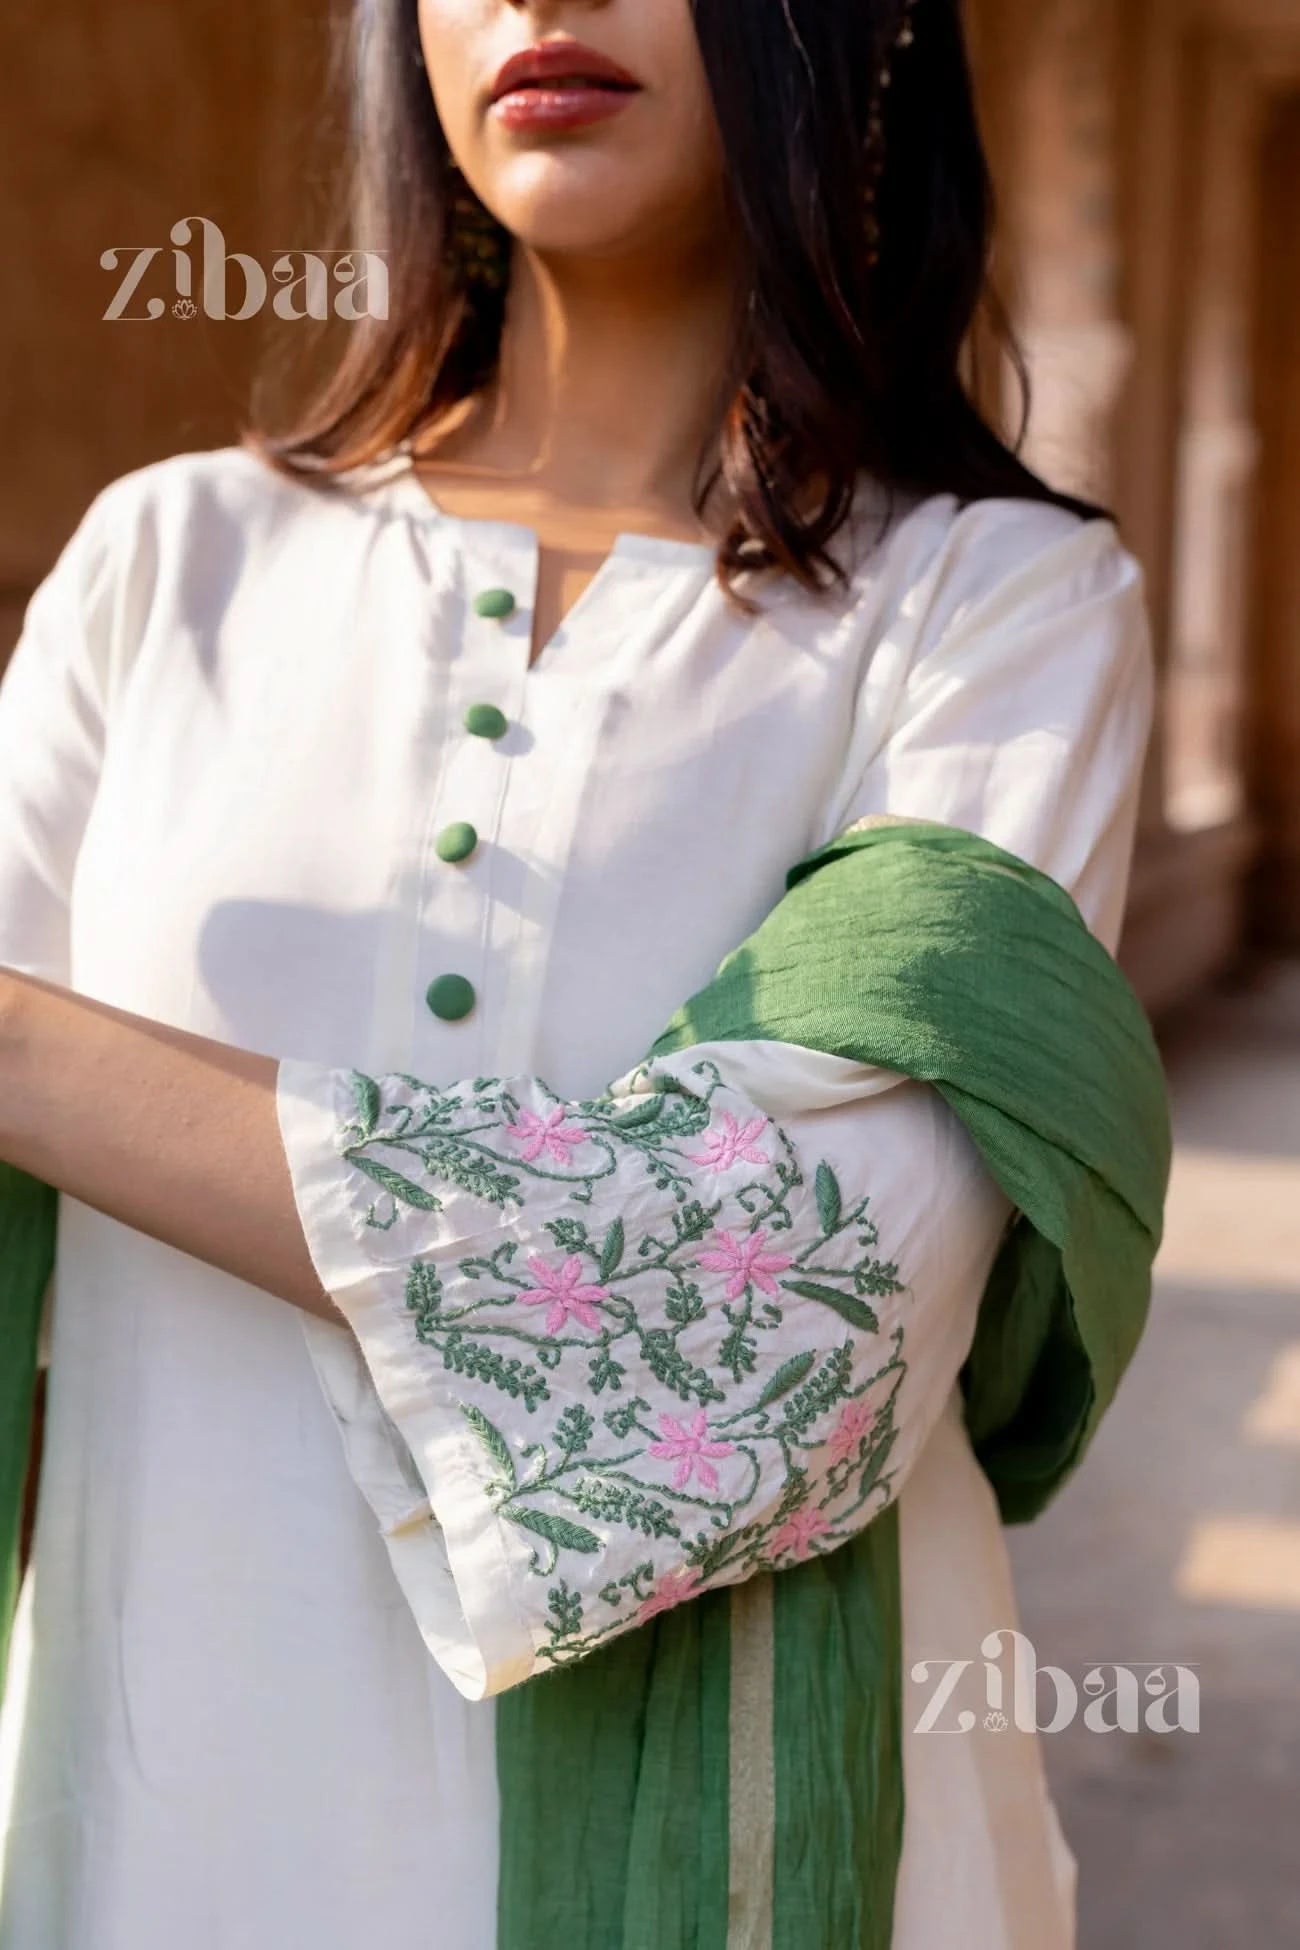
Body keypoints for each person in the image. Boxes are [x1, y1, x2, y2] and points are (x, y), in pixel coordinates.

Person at [0, 1, 1162, 1945]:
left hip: (769, 1889)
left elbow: (786, 1314)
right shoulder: (166, 571)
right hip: (171, 1831)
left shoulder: (993, 613)